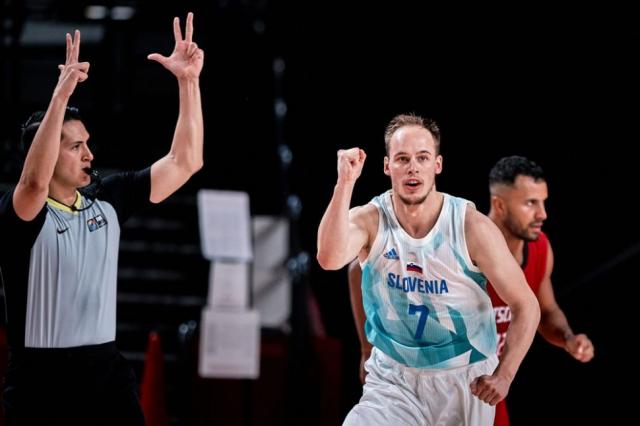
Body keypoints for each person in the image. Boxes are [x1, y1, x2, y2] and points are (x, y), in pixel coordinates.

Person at [0, 12, 203, 425]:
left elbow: (186, 162)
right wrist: (60, 95)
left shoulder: (108, 198)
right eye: (75, 146)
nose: (89, 155)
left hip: (107, 374)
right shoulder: (22, 211)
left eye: (87, 144)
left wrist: (188, 82)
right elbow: (34, 183)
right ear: (47, 152)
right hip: (41, 382)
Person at [317, 113, 540, 425]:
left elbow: (527, 305)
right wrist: (345, 182)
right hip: (394, 379)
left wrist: (504, 375)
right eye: (402, 158)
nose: (413, 167)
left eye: (422, 157)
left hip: (464, 377)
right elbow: (329, 259)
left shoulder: (470, 226)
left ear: (437, 165)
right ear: (387, 166)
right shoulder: (371, 219)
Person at [487, 155, 594, 426]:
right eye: (530, 203)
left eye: (543, 202)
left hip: (489, 389)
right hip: (440, 388)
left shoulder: (540, 247)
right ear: (499, 205)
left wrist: (568, 338)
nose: (542, 214)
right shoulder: (461, 248)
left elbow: (545, 311)